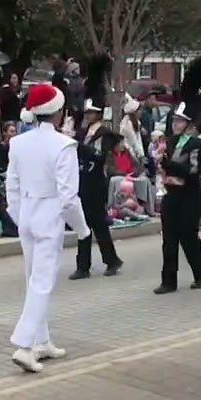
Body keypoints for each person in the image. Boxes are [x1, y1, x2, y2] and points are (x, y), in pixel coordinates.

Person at [6, 83, 90, 373]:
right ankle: (25, 345)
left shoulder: (18, 143)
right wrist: (81, 228)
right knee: (42, 282)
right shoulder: (63, 146)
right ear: (58, 113)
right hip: (48, 214)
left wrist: (20, 216)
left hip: (27, 213)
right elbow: (68, 197)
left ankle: (41, 340)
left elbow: (12, 186)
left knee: (33, 279)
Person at [155, 58, 201, 294]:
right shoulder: (168, 142)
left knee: (188, 237)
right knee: (169, 239)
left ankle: (200, 271)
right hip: (171, 194)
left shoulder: (197, 143)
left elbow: (193, 171)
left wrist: (169, 165)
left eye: (179, 121)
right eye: (174, 120)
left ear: (188, 123)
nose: (175, 123)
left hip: (190, 195)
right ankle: (168, 281)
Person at [70, 55, 123, 280]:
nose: (87, 116)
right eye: (86, 112)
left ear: (98, 114)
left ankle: (111, 259)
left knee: (98, 224)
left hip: (96, 182)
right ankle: (83, 265)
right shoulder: (84, 132)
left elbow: (100, 156)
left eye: (90, 113)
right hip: (82, 180)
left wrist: (80, 147)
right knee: (83, 225)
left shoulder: (104, 133)